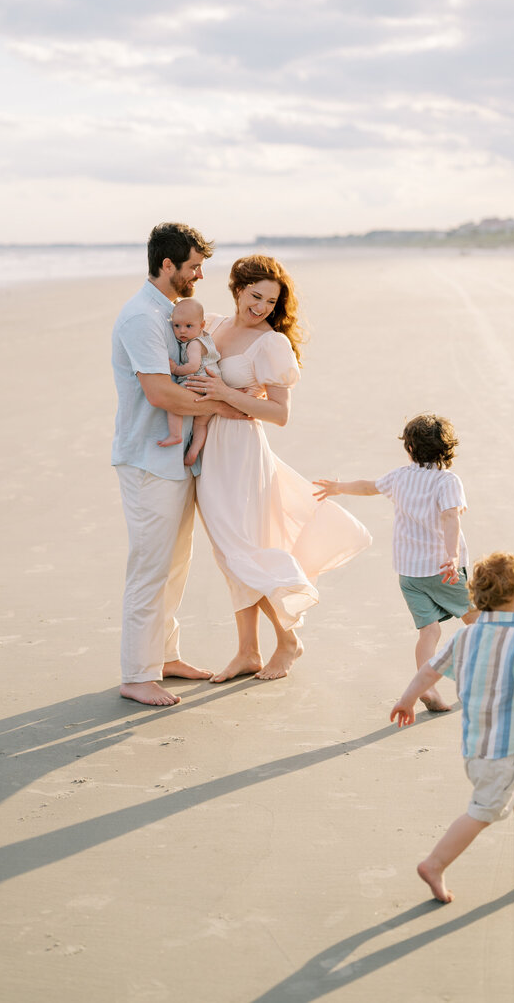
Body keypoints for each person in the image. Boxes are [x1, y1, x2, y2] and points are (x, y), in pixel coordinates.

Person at [187, 254, 372, 682]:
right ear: (236, 289)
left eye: (271, 301)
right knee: (228, 555)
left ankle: (288, 640)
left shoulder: (271, 343)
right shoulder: (213, 326)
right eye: (255, 296)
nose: (262, 307)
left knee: (243, 550)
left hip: (242, 453)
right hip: (212, 452)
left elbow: (279, 414)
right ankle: (248, 651)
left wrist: (221, 392)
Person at [111, 222, 245, 707]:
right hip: (149, 459)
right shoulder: (141, 319)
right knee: (150, 567)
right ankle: (137, 673)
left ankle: (164, 658)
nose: (200, 275)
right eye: (193, 266)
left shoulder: (173, 315)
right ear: (167, 265)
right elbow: (160, 391)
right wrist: (226, 407)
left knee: (176, 565)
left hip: (176, 460)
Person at [390, 551, 514, 903]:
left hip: (478, 748)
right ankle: (435, 863)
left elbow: (430, 669)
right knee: (482, 812)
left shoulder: (466, 637)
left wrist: (408, 698)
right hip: (503, 753)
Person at [313, 413, 474, 712]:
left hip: (409, 573)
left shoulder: (399, 477)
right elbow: (451, 518)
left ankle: (427, 688)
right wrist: (451, 556)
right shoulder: (448, 481)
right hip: (442, 569)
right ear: (448, 449)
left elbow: (368, 486)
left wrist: (339, 488)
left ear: (410, 449)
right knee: (476, 619)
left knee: (429, 631)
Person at [156, 298, 221, 466]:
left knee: (174, 402)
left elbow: (193, 366)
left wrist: (176, 369)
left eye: (188, 326)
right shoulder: (203, 338)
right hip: (211, 389)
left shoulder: (194, 344)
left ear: (202, 325)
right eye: (176, 326)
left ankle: (175, 434)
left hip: (198, 382)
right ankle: (193, 452)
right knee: (200, 424)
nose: (181, 331)